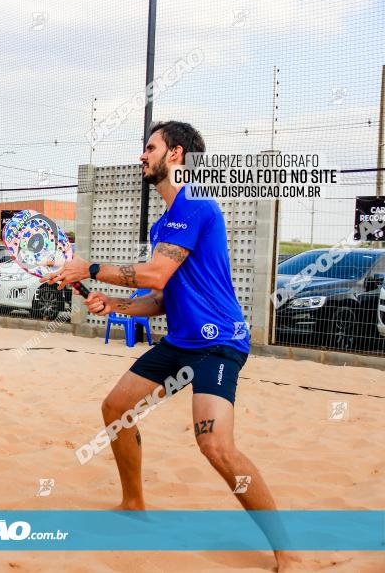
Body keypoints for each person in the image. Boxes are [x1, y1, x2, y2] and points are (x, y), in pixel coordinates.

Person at [44, 121, 299, 572]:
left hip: (218, 343)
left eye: (150, 147)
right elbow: (162, 296)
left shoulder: (196, 204)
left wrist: (89, 267)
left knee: (216, 447)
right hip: (180, 341)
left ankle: (287, 551)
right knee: (115, 407)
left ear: (176, 154)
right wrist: (116, 305)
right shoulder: (167, 219)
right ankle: (134, 503)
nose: (142, 156)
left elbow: (156, 274)